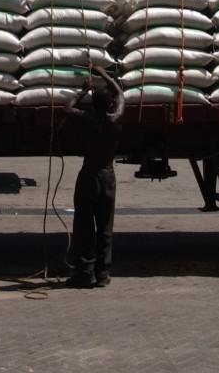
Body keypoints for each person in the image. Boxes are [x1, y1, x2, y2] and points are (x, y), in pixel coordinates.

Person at [61, 65, 124, 289]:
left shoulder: (86, 119)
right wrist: (104, 74)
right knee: (105, 226)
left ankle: (84, 272)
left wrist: (82, 91)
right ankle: (103, 273)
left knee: (84, 224)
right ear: (109, 105)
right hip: (107, 175)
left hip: (88, 175)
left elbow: (67, 108)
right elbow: (120, 94)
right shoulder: (115, 119)